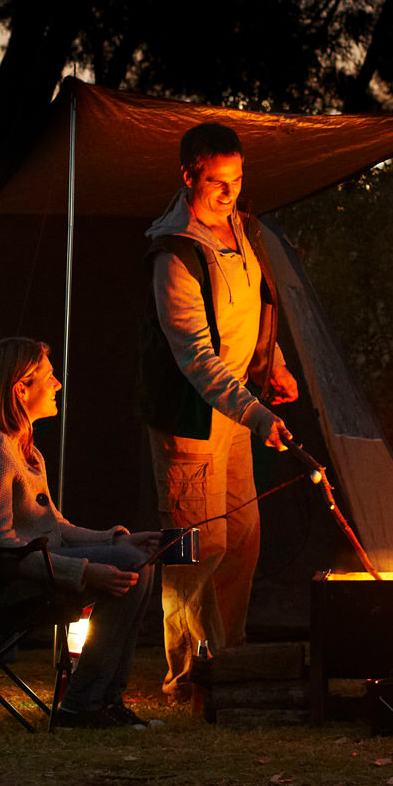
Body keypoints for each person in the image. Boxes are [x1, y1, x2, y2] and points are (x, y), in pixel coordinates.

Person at [140, 122, 300, 698]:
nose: (230, 193)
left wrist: (273, 362)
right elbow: (197, 358)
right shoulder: (175, 252)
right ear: (188, 176)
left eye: (236, 180)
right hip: (190, 419)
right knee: (194, 547)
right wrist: (257, 412)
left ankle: (225, 662)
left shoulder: (240, 227)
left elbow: (255, 307)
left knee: (243, 536)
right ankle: (186, 676)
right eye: (217, 182)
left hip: (237, 413)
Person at [0, 336, 165, 729]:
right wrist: (83, 572)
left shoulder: (20, 447)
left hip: (17, 571)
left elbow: (53, 527)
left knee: (137, 559)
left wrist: (114, 539)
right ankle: (83, 704)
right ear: (20, 388)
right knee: (130, 566)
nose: (58, 385)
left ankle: (103, 700)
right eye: (49, 376)